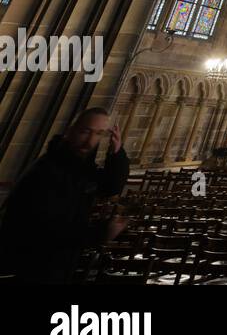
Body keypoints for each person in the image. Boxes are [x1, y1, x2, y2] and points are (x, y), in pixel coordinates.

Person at [0, 107, 130, 283]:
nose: (91, 141)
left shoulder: (77, 165)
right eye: (86, 132)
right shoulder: (50, 170)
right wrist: (100, 233)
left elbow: (109, 187)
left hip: (56, 263)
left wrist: (116, 152)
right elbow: (47, 230)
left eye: (99, 134)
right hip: (32, 264)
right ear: (71, 130)